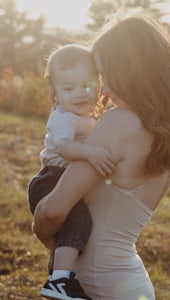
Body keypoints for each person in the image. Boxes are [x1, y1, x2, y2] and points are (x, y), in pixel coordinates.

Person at [32, 12, 170, 300]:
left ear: (131, 72)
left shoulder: (118, 122)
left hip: (101, 283)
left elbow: (53, 211)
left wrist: (42, 231)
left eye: (107, 76)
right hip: (126, 281)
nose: (104, 90)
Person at [28, 43, 115, 300]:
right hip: (51, 179)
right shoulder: (63, 117)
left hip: (60, 178)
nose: (79, 94)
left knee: (69, 232)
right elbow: (64, 147)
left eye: (86, 86)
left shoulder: (87, 116)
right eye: (68, 88)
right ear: (54, 92)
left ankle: (59, 275)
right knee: (79, 222)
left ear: (98, 85)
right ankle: (59, 282)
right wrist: (91, 153)